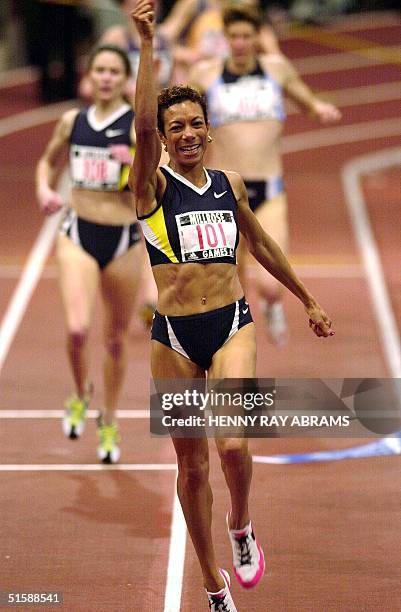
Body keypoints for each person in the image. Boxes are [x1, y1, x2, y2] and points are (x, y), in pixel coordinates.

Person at [130, 2, 334, 609]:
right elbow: (138, 127)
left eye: (196, 123)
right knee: (190, 471)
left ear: (208, 128)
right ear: (164, 141)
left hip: (230, 325)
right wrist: (146, 45)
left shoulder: (229, 185)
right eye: (176, 128)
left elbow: (262, 243)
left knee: (234, 444)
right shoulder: (152, 187)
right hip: (173, 337)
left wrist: (308, 299)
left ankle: (241, 524)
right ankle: (215, 588)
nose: (187, 133)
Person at [190, 4, 341, 345]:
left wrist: (320, 109)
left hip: (268, 188)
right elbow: (176, 109)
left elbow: (306, 99)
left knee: (271, 284)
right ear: (225, 39)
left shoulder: (276, 69)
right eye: (234, 37)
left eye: (247, 36)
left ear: (257, 38)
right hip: (224, 191)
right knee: (229, 281)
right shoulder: (206, 74)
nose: (241, 43)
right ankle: (232, 340)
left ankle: (272, 305)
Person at [36, 44, 144, 464]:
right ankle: (80, 391)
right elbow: (45, 163)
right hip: (77, 232)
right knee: (78, 329)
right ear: (89, 75)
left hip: (122, 240)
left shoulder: (136, 126)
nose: (105, 77)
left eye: (114, 71)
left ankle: (110, 418)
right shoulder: (72, 121)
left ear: (124, 79)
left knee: (115, 339)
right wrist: (45, 189)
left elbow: (157, 179)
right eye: (99, 69)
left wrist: (133, 162)